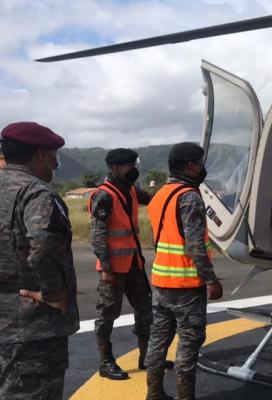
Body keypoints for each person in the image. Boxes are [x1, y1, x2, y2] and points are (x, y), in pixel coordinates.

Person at [0, 122, 79, 399]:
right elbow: (44, 247)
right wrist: (54, 293)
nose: (55, 163)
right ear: (42, 154)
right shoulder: (37, 193)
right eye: (54, 156)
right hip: (31, 329)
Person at [144, 142, 222, 400]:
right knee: (189, 341)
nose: (202, 168)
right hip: (186, 285)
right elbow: (195, 244)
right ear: (190, 166)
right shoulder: (189, 196)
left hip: (161, 280)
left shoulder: (161, 194)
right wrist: (211, 279)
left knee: (158, 340)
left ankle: (154, 394)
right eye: (200, 163)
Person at [90, 148, 173, 380]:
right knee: (107, 314)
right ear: (115, 168)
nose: (134, 169)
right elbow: (97, 235)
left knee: (145, 311)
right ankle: (105, 362)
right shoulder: (104, 195)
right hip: (113, 268)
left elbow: (156, 200)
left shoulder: (131, 190)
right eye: (130, 165)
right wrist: (106, 268)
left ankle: (147, 358)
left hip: (134, 264)